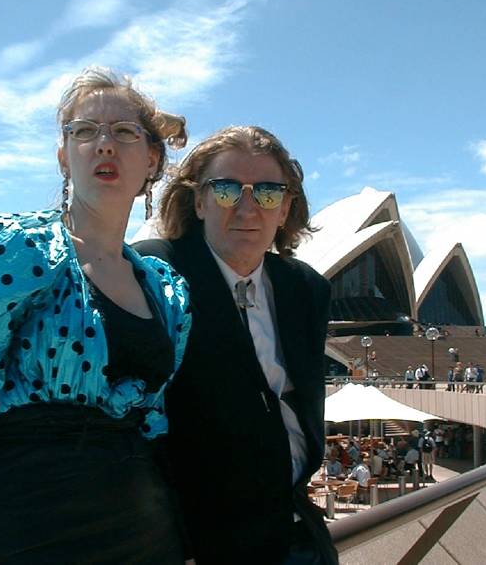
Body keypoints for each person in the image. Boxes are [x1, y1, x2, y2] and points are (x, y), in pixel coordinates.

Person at [0, 67, 191, 564]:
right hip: (29, 528)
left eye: (124, 132)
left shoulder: (164, 289)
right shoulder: (16, 249)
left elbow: (157, 429)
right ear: (64, 156)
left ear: (152, 159)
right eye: (85, 131)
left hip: (145, 532)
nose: (104, 144)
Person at [135, 125, 338, 564]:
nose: (248, 207)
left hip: (298, 533)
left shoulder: (304, 289)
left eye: (267, 192)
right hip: (201, 544)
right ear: (199, 202)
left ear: (285, 209)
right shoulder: (155, 272)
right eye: (227, 189)